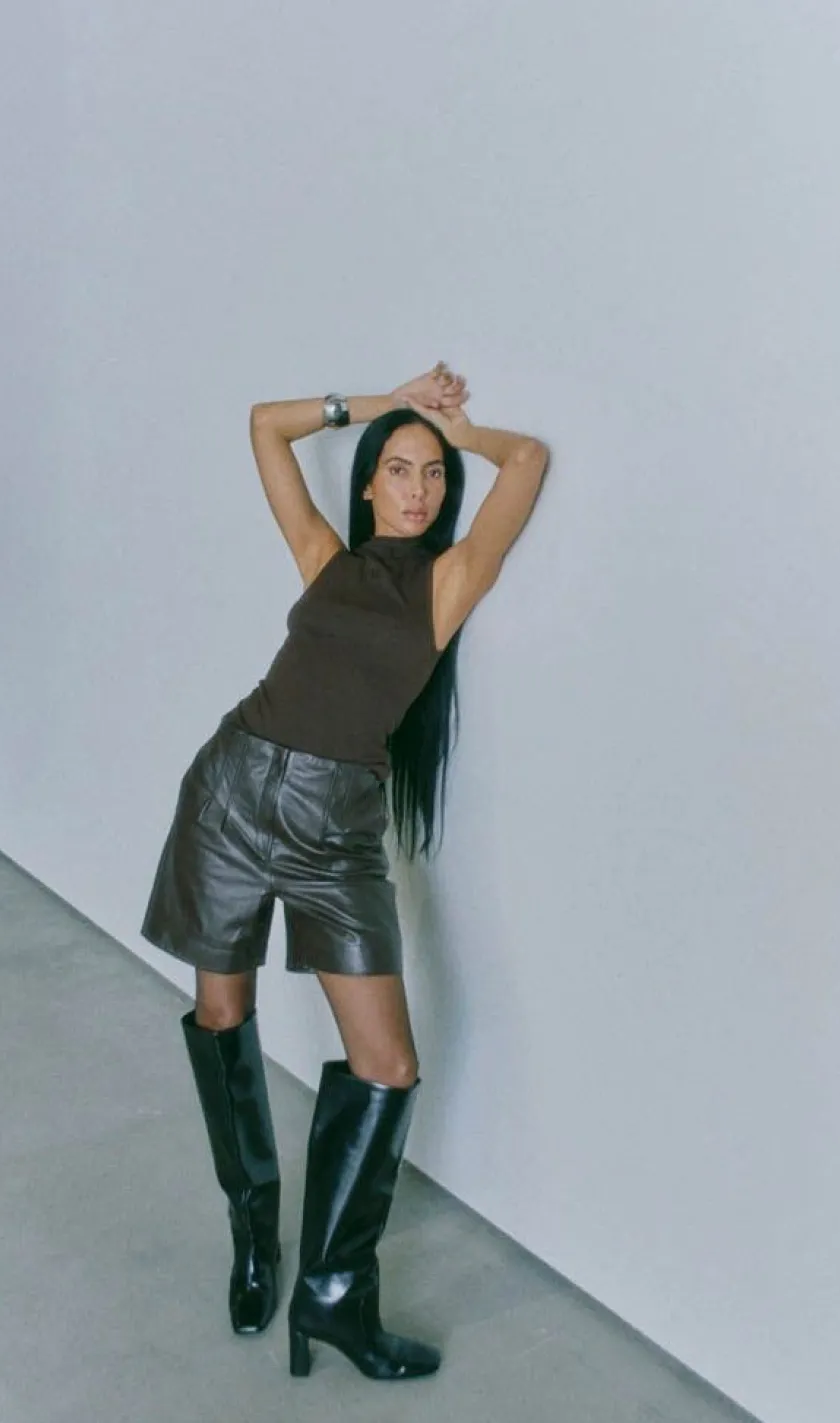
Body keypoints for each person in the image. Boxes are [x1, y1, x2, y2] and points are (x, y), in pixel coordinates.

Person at [140, 362, 549, 1382]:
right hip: (230, 795)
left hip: (338, 832)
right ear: (368, 483)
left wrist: (459, 432)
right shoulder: (324, 557)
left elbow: (528, 461)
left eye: (432, 475)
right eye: (398, 470)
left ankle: (331, 1295)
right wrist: (386, 404)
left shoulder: (450, 582)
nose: (417, 489)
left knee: (387, 1062)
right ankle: (253, 1236)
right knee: (222, 1017)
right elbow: (264, 426)